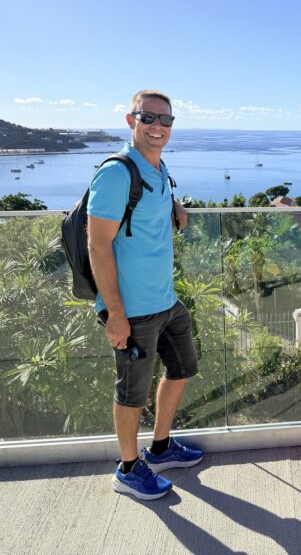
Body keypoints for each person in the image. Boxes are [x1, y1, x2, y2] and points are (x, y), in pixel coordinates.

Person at [88, 89, 202, 500]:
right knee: (131, 393)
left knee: (183, 368)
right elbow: (98, 246)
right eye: (148, 118)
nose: (158, 127)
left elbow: (149, 214)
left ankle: (160, 447)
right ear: (130, 119)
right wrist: (115, 315)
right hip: (132, 310)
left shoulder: (156, 169)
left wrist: (177, 209)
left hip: (166, 302)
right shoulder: (117, 172)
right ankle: (128, 468)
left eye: (165, 120)